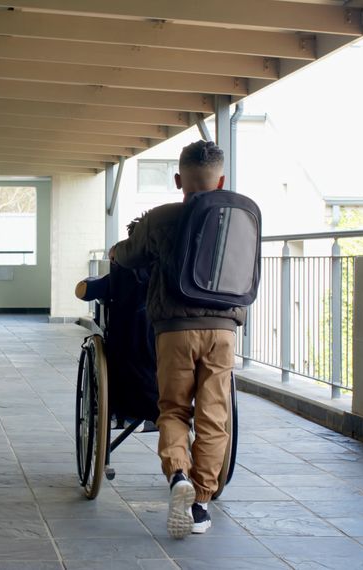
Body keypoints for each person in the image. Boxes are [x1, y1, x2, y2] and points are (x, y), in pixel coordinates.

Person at [109, 140, 246, 539]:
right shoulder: (237, 219)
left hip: (173, 330)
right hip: (222, 331)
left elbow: (129, 256)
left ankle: (179, 477)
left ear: (177, 179)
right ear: (221, 180)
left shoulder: (161, 218)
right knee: (214, 416)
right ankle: (201, 503)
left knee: (172, 409)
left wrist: (118, 252)